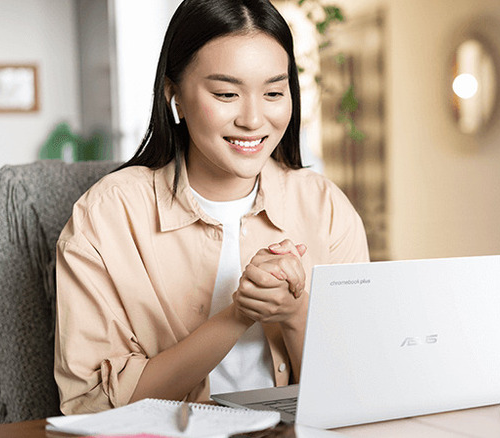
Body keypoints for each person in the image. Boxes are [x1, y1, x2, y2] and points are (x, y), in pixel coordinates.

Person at [54, 0, 369, 415]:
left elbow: (358, 389)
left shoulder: (324, 207)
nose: (254, 119)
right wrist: (237, 314)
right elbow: (90, 405)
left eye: (274, 92)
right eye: (226, 94)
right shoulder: (107, 216)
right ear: (175, 98)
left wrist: (295, 313)